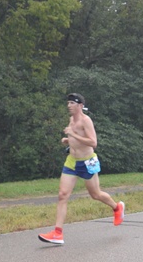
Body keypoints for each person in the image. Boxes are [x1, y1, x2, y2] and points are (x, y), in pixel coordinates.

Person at [38, 93, 124, 245]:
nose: (68, 105)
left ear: (79, 105)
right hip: (71, 161)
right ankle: (57, 233)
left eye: (72, 103)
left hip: (87, 162)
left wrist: (72, 134)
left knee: (95, 194)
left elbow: (93, 142)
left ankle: (117, 208)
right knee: (62, 195)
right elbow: (76, 138)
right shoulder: (71, 119)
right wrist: (68, 140)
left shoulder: (86, 120)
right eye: (68, 103)